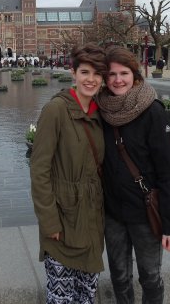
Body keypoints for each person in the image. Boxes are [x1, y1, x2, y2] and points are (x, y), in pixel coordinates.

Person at [97, 46, 170, 304]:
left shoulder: (152, 111)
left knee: (150, 276)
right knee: (119, 277)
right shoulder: (102, 110)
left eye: (124, 73)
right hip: (113, 212)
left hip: (145, 213)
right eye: (112, 74)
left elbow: (169, 171)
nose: (117, 80)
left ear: (135, 76)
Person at [30, 42, 107, 304]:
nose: (91, 79)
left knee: (86, 296)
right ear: (73, 73)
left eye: (97, 74)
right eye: (85, 72)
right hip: (62, 223)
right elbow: (39, 170)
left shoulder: (100, 114)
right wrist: (49, 222)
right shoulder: (56, 110)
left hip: (92, 221)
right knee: (61, 298)